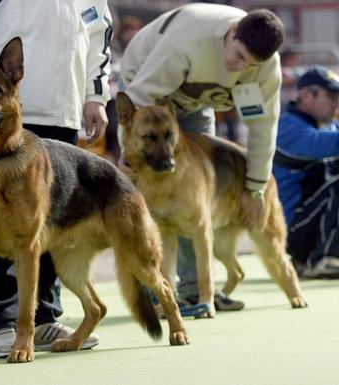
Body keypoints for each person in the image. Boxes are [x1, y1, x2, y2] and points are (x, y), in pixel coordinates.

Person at [0, 0, 111, 357]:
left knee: (46, 230)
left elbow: (98, 30)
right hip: (9, 103)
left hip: (63, 107)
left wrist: (95, 95)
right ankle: (1, 323)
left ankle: (43, 317)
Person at [119, 3, 286, 316]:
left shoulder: (266, 68)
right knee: (151, 191)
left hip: (195, 103)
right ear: (232, 32)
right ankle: (155, 288)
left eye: (250, 65)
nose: (240, 68)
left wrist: (256, 189)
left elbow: (263, 128)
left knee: (193, 196)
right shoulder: (187, 42)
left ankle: (195, 293)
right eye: (238, 56)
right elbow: (137, 105)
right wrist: (127, 156)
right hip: (145, 85)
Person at [273, 66, 339, 279]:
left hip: (313, 225)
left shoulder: (328, 127)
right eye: (330, 96)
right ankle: (323, 258)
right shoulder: (287, 129)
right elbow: (323, 144)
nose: (336, 103)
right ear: (306, 96)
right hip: (292, 232)